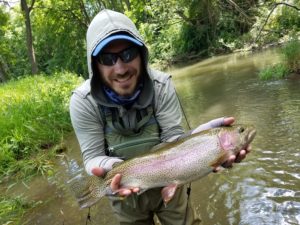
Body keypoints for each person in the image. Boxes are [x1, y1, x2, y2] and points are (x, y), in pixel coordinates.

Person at [69, 9, 249, 225]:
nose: (120, 68)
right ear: (95, 65)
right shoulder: (83, 101)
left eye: (127, 54)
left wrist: (197, 139)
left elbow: (174, 140)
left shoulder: (161, 85)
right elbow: (92, 159)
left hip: (171, 176)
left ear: (140, 54)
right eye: (107, 59)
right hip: (121, 189)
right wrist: (113, 167)